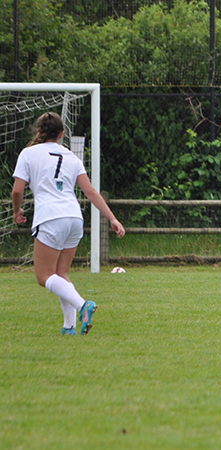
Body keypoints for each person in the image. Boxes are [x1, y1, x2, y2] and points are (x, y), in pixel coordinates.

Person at [12, 112, 126, 336]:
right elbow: (90, 191)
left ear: (39, 131)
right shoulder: (72, 157)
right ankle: (69, 328)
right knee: (61, 273)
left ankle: (83, 305)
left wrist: (17, 211)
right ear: (62, 134)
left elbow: (17, 190)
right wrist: (112, 218)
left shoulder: (28, 153)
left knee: (43, 276)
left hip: (51, 217)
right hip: (74, 218)